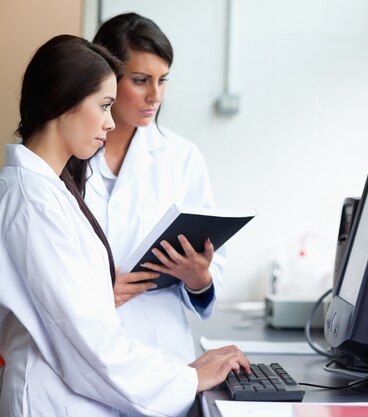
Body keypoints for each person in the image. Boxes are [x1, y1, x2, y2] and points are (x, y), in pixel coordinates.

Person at [0, 34, 250, 417]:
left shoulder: (49, 190)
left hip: (103, 384)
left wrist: (180, 371)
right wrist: (186, 378)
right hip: (58, 398)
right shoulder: (33, 200)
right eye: (103, 105)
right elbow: (85, 340)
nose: (109, 121)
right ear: (62, 100)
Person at [77, 12, 222, 364]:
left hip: (160, 352)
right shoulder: (67, 154)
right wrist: (91, 295)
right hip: (81, 346)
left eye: (163, 80)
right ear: (105, 78)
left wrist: (199, 277)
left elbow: (208, 280)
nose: (155, 96)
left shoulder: (181, 158)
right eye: (141, 80)